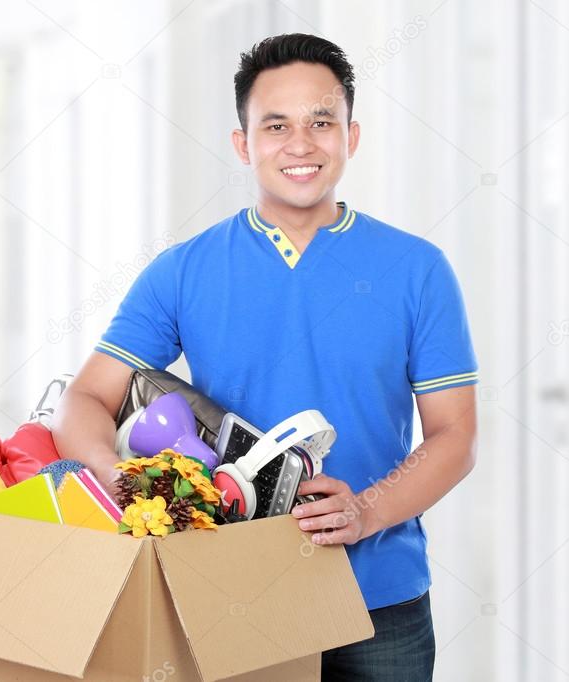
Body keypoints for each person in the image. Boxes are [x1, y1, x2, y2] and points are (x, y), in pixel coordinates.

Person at [51, 33, 478, 680]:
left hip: (380, 598)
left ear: (350, 136)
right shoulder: (183, 271)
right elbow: (84, 399)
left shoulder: (417, 270)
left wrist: (366, 510)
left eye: (320, 122)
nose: (300, 144)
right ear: (243, 143)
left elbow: (455, 437)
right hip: (231, 593)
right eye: (276, 125)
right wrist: (114, 475)